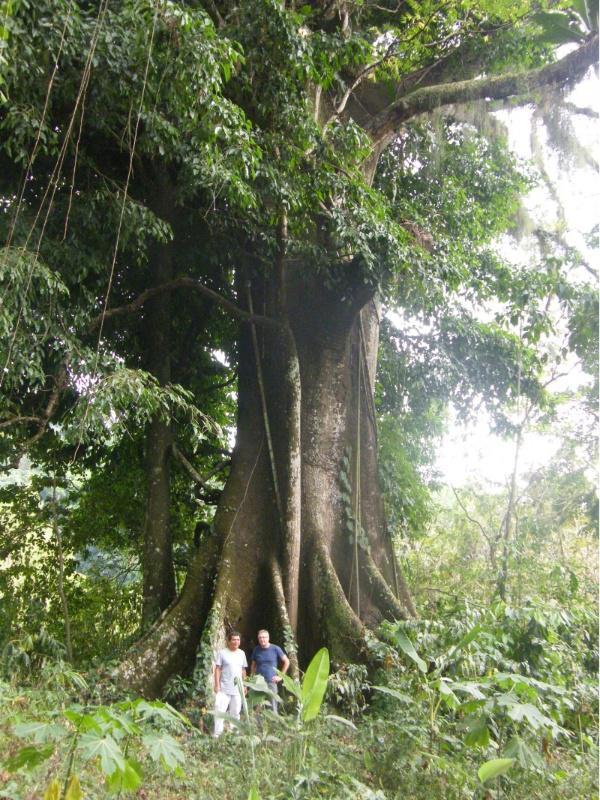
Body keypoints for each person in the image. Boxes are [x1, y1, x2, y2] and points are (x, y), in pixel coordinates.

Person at [213, 630, 247, 737]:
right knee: (220, 711)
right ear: (229, 641)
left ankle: (234, 734)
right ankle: (217, 734)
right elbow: (218, 669)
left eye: (238, 640)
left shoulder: (242, 653)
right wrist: (217, 684)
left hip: (238, 689)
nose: (236, 642)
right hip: (224, 688)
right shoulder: (222, 653)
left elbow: (243, 670)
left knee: (235, 712)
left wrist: (245, 685)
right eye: (234, 640)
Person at [250, 629, 290, 714]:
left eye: (264, 637)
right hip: (258, 682)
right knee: (258, 706)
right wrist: (252, 677)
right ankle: (258, 722)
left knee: (272, 705)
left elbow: (287, 661)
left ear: (268, 638)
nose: (262, 639)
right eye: (260, 638)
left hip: (271, 681)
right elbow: (253, 665)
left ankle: (274, 722)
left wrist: (281, 676)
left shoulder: (275, 648)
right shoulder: (256, 649)